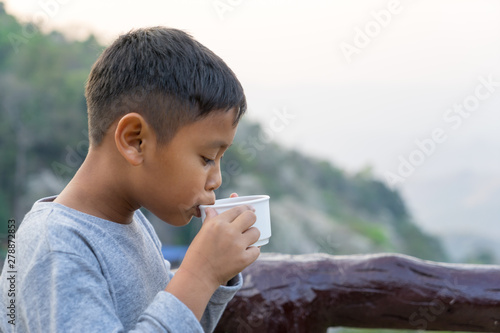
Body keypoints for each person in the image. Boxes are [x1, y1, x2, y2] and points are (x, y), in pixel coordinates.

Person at [0, 26, 260, 332]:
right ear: (135, 141)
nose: (215, 179)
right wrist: (199, 274)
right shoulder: (56, 246)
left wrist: (217, 275)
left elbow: (177, 324)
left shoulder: (135, 226)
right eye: (206, 158)